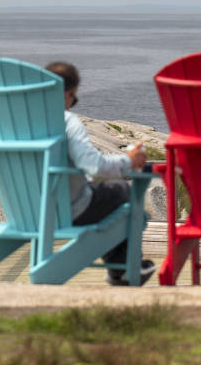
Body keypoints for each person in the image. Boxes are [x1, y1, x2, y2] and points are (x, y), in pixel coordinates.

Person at [44, 61, 154, 286]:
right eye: (74, 99)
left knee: (111, 201)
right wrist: (128, 160)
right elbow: (93, 165)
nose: (73, 104)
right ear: (67, 94)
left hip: (28, 209)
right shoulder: (67, 121)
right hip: (69, 209)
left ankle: (119, 265)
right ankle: (123, 266)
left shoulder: (21, 125)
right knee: (122, 191)